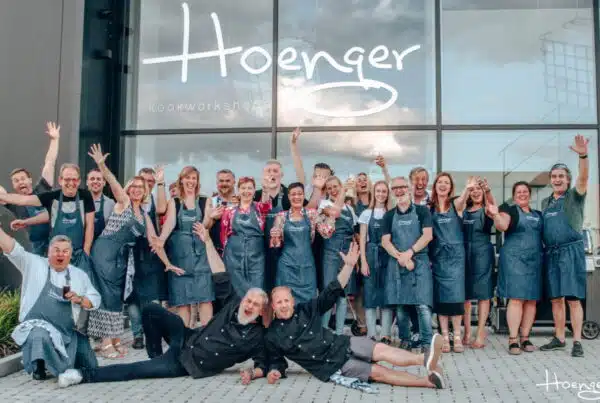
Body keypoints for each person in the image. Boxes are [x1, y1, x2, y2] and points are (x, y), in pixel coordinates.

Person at [57, 223, 268, 388]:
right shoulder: (233, 304)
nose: (249, 305)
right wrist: (207, 242)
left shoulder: (257, 338)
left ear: (260, 311)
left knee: (134, 370)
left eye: (255, 304)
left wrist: (252, 373)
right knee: (151, 309)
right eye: (248, 300)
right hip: (186, 337)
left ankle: (81, 375)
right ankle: (156, 356)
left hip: (187, 363)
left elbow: (267, 364)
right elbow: (219, 273)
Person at [264, 242, 445, 391]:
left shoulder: (306, 309)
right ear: (273, 306)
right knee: (378, 372)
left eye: (286, 300)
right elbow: (276, 362)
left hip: (342, 343)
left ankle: (425, 359)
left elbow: (332, 291)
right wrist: (274, 372)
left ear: (293, 301)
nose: (284, 305)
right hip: (330, 365)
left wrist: (349, 265)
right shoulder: (272, 335)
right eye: (279, 302)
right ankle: (428, 382)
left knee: (381, 349)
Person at [86, 145, 179, 359]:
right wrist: (101, 165)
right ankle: (106, 342)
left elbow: (155, 241)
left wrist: (167, 263)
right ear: (128, 189)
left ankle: (114, 338)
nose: (136, 189)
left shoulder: (143, 215)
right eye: (133, 186)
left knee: (117, 297)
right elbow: (113, 183)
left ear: (146, 191)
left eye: (141, 187)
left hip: (121, 258)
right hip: (105, 252)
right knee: (108, 296)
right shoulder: (124, 202)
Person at [0, 227, 100, 381]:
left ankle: (63, 363)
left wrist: (80, 299)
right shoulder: (34, 264)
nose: (61, 254)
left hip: (67, 332)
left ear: (70, 254)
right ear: (48, 252)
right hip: (37, 326)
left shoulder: (79, 275)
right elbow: (13, 249)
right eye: (56, 250)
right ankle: (38, 366)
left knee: (91, 366)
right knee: (40, 336)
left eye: (65, 251)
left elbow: (95, 300)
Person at [539, 135, 590, 357]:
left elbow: (584, 177)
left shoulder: (574, 196)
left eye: (561, 176)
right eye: (554, 176)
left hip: (571, 251)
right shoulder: (546, 202)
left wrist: (583, 155)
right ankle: (559, 338)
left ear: (568, 180)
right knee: (556, 299)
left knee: (573, 299)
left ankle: (577, 341)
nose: (557, 179)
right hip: (551, 253)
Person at [0, 163, 96, 273]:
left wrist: (86, 253)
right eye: (67, 179)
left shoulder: (85, 196)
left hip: (79, 255)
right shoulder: (51, 197)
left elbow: (90, 226)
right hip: (56, 256)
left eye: (74, 179)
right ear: (60, 180)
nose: (71, 183)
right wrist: (26, 221)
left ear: (79, 181)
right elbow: (23, 200)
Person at [488, 181, 543, 355]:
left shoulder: (538, 215)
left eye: (525, 191)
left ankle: (525, 337)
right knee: (516, 299)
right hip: (514, 260)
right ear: (514, 195)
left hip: (534, 260)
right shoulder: (509, 210)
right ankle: (513, 339)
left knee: (531, 300)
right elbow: (502, 225)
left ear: (530, 194)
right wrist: (496, 215)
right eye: (518, 191)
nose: (522, 194)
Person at [381, 177, 434, 352]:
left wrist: (409, 253)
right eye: (395, 188)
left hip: (420, 262)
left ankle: (427, 343)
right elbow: (385, 242)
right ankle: (405, 340)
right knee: (401, 305)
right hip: (397, 263)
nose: (399, 191)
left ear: (409, 189)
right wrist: (401, 257)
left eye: (402, 187)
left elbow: (427, 236)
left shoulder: (422, 211)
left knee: (423, 304)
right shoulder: (389, 215)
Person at [158, 166, 213, 328]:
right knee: (183, 301)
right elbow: (170, 223)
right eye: (187, 178)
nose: (191, 181)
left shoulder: (205, 200)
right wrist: (161, 239)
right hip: (180, 257)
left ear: (197, 181)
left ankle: (207, 336)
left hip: (201, 257)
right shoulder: (174, 202)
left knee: (205, 299)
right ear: (181, 180)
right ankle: (184, 337)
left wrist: (209, 220)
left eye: (194, 178)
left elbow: (207, 223)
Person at [270, 180, 334, 303]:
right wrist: (274, 235)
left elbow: (326, 233)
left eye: (299, 194)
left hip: (307, 267)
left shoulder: (311, 214)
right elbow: (275, 244)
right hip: (286, 267)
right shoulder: (281, 216)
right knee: (285, 301)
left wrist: (331, 216)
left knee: (309, 302)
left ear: (304, 195)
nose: (297, 197)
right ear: (289, 196)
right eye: (293, 194)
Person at [429, 173, 473, 353]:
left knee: (456, 297)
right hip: (438, 256)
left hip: (456, 258)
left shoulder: (456, 205)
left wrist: (467, 189)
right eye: (440, 182)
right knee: (441, 298)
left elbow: (463, 199)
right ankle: (445, 336)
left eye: (446, 182)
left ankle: (457, 335)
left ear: (450, 187)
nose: (443, 185)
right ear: (435, 186)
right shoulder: (429, 208)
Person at [5, 121, 60, 256]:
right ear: (13, 185)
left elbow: (50, 163)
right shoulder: (12, 202)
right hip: (32, 250)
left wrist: (54, 140)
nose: (20, 182)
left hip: (54, 244)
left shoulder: (42, 189)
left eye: (23, 178)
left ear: (30, 180)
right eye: (16, 181)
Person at [129, 166, 169, 350]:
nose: (147, 184)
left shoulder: (154, 200)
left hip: (151, 254)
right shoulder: (126, 201)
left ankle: (152, 331)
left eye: (151, 181)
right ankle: (137, 335)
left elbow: (161, 209)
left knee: (153, 295)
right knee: (132, 297)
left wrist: (161, 183)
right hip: (131, 252)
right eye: (143, 180)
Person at [221, 174, 272, 296]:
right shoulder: (229, 210)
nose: (246, 191)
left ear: (254, 191)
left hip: (256, 255)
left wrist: (265, 189)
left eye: (249, 188)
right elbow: (224, 235)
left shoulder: (259, 208)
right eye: (243, 188)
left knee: (257, 291)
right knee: (235, 292)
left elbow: (266, 204)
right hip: (234, 256)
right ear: (238, 190)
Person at [320, 176, 359, 335]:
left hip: (347, 253)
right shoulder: (324, 204)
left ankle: (339, 332)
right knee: (329, 292)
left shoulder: (350, 209)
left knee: (343, 294)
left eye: (335, 186)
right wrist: (344, 191)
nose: (333, 190)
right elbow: (334, 213)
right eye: (329, 188)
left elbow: (355, 233)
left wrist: (356, 258)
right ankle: (323, 331)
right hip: (331, 253)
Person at [462, 177, 496, 349]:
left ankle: (481, 332)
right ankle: (467, 331)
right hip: (464, 253)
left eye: (478, 189)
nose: (475, 192)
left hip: (482, 253)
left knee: (483, 293)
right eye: (472, 189)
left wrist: (488, 192)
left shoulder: (487, 210)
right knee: (465, 295)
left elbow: (493, 206)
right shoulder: (463, 211)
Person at [359, 180, 393, 342]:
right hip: (371, 256)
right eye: (378, 191)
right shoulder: (366, 213)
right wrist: (363, 261)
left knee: (387, 295)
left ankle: (386, 334)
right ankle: (371, 334)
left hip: (387, 256)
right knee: (370, 294)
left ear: (388, 194)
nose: (381, 194)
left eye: (384, 191)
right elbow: (362, 239)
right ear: (374, 193)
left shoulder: (391, 213)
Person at [205, 169, 236, 255]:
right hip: (216, 250)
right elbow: (205, 227)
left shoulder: (240, 200)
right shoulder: (211, 201)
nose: (224, 184)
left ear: (234, 182)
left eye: (228, 181)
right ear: (217, 183)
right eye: (221, 181)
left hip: (236, 249)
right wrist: (212, 217)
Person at [86, 168, 115, 241]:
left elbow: (114, 230)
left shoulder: (110, 203)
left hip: (103, 245)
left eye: (98, 179)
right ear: (87, 182)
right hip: (82, 245)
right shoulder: (81, 202)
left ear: (104, 182)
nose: (95, 181)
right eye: (92, 179)